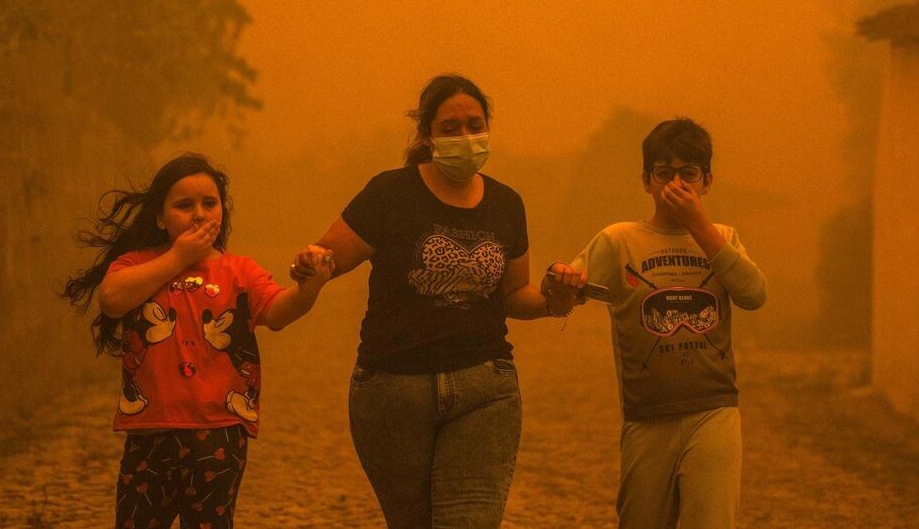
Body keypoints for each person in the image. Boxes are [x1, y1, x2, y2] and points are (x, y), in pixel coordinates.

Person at [292, 74, 584, 528]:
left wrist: (554, 299)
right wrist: (312, 265)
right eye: (451, 128)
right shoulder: (389, 194)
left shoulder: (507, 204)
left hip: (484, 389)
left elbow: (513, 295)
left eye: (475, 124)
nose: (465, 136)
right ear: (428, 134)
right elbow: (328, 257)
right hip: (393, 390)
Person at [62, 152, 332, 529]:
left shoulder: (240, 271)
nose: (200, 214)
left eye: (210, 203)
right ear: (160, 217)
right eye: (184, 205)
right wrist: (179, 257)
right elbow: (111, 300)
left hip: (219, 433)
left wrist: (310, 286)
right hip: (151, 431)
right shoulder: (135, 264)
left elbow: (278, 312)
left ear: (223, 210)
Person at [548, 118, 767, 529]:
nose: (676, 184)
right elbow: (563, 293)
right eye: (664, 173)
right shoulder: (618, 240)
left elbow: (755, 294)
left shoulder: (722, 238)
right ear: (646, 180)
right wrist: (560, 279)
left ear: (707, 181)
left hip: (714, 409)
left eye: (689, 173)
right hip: (646, 416)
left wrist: (699, 226)